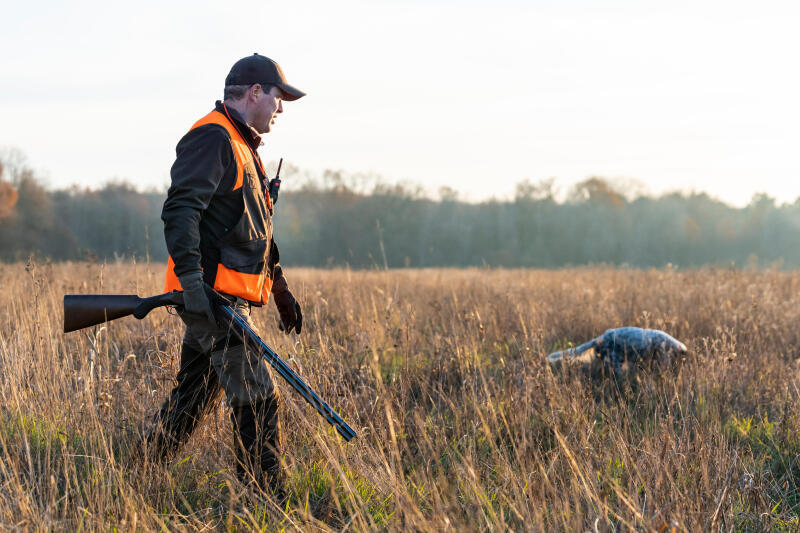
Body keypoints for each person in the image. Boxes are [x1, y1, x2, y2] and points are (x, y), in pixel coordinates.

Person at [146, 53, 305, 498]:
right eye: (278, 97)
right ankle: (265, 496)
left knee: (194, 398)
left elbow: (250, 232)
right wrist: (194, 287)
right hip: (211, 299)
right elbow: (179, 212)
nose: (281, 108)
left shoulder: (242, 146)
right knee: (258, 390)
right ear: (255, 92)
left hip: (222, 299)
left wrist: (280, 289)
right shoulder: (213, 139)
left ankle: (139, 468)